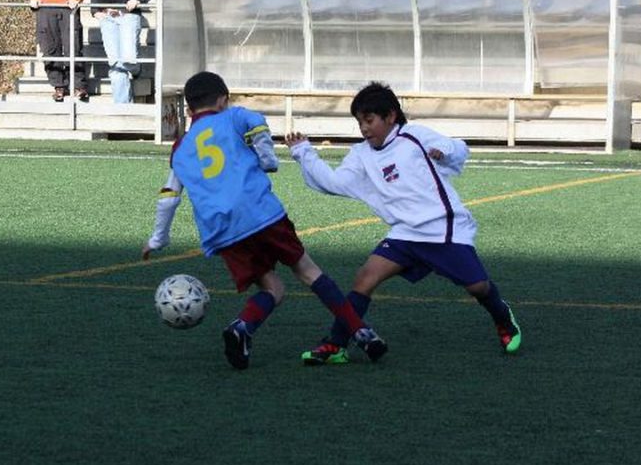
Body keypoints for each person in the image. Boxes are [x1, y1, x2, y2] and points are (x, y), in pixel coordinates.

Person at [142, 71, 388, 370]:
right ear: (223, 100)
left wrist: (158, 238)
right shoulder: (233, 117)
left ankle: (242, 327)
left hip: (223, 232)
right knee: (308, 272)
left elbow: (168, 196)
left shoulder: (180, 147)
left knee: (273, 289)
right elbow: (256, 121)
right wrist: (267, 157)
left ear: (190, 108)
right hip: (260, 212)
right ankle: (361, 332)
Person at [285, 82, 522, 365]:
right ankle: (337, 344)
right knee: (365, 277)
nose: (364, 128)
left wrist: (444, 153)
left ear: (391, 116)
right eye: (359, 121)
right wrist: (304, 153)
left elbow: (457, 149)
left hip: (442, 229)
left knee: (477, 287)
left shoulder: (414, 136)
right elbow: (334, 182)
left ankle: (502, 317)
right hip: (404, 233)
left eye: (369, 120)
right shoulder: (360, 154)